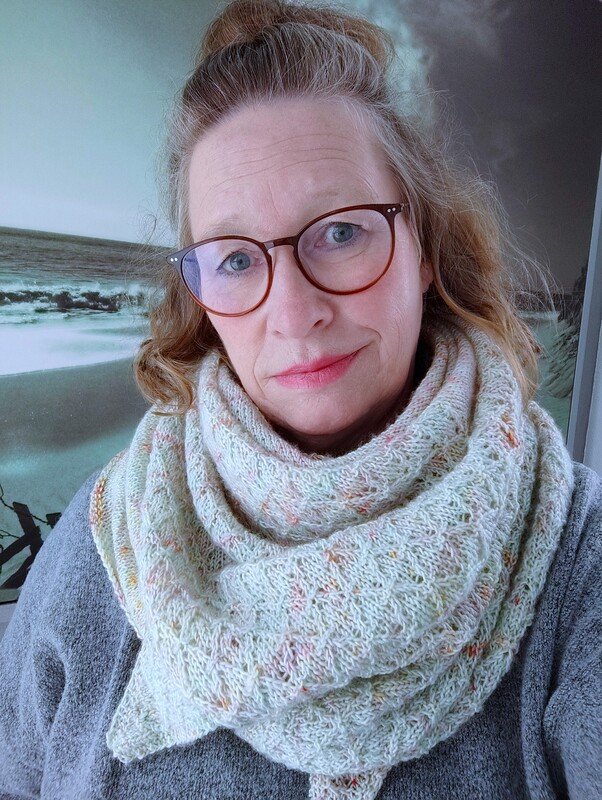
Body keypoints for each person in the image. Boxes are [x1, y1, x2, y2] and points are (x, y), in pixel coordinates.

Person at [0, 1, 600, 798]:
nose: (293, 312)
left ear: (423, 247)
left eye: (341, 232)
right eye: (236, 259)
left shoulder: (575, 560)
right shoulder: (109, 540)